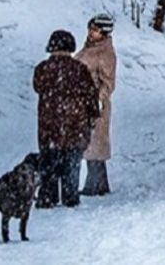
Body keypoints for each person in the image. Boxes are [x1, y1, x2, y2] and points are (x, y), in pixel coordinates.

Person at [32, 29, 98, 208]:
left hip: (49, 128)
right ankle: (70, 196)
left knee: (49, 162)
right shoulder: (80, 69)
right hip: (75, 127)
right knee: (71, 163)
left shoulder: (43, 69)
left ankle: (48, 196)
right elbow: (91, 96)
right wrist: (93, 116)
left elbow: (37, 87)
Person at [75, 14, 116, 196]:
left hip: (95, 105)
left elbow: (108, 82)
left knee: (94, 145)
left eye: (95, 29)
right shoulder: (89, 48)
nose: (91, 32)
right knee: (92, 145)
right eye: (90, 28)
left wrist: (97, 100)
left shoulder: (105, 53)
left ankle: (94, 184)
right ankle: (99, 183)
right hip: (85, 104)